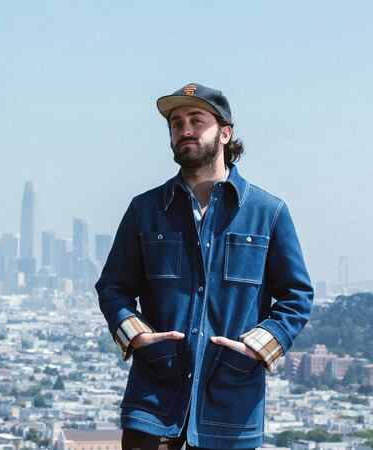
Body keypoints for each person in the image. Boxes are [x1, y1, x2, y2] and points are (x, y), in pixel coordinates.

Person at [96, 83, 313, 450]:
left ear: (225, 133)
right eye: (176, 123)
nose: (185, 130)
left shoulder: (267, 213)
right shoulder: (145, 210)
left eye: (197, 120)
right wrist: (138, 337)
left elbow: (297, 297)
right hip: (154, 404)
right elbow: (112, 287)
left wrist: (255, 348)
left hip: (230, 408)